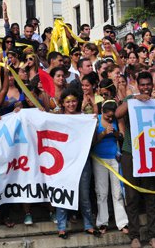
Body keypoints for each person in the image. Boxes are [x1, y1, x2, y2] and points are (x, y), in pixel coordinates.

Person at [115, 72, 155, 248]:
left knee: (151, 196)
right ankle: (134, 236)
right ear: (137, 85)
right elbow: (118, 114)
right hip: (131, 152)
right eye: (142, 85)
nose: (145, 88)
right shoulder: (131, 98)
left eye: (148, 84)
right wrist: (134, 98)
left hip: (152, 153)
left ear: (152, 85)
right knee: (132, 196)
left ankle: (152, 235)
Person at [55, 88, 99, 240]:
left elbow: (92, 141)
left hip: (82, 161)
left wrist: (94, 122)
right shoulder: (57, 118)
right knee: (62, 193)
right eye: (68, 102)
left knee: (84, 194)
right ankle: (61, 227)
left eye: (73, 101)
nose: (71, 104)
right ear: (63, 103)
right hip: (62, 163)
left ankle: (89, 225)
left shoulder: (85, 118)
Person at [92, 100, 129, 235]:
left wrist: (115, 134)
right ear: (102, 112)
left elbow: (122, 136)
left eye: (111, 116)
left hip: (114, 158)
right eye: (107, 116)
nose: (109, 118)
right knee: (101, 192)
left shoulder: (117, 120)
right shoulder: (96, 120)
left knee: (117, 192)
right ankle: (102, 222)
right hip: (99, 159)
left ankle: (122, 222)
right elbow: (93, 140)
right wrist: (104, 133)